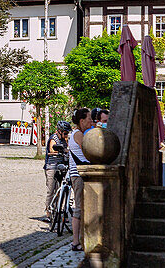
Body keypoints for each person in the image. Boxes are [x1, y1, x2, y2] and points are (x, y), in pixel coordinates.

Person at [68, 107, 95, 252]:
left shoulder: (77, 133)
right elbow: (90, 149)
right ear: (82, 121)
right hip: (79, 175)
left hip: (79, 174)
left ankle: (81, 240)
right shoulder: (78, 134)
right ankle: (75, 242)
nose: (91, 120)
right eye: (89, 118)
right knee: (79, 208)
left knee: (83, 208)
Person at [44, 120, 71, 218]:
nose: (66, 135)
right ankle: (48, 212)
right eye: (65, 133)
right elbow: (51, 150)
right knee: (51, 190)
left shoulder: (64, 139)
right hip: (51, 166)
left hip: (61, 166)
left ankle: (58, 210)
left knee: (59, 190)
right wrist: (59, 152)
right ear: (60, 131)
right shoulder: (53, 138)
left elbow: (66, 148)